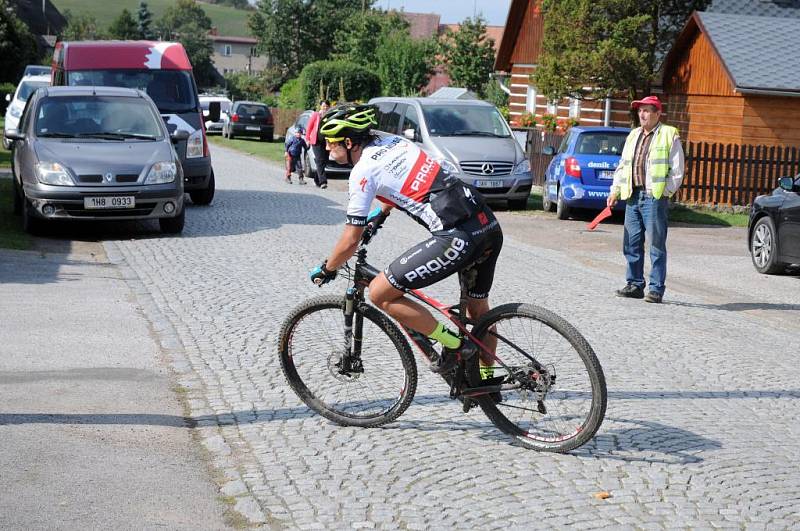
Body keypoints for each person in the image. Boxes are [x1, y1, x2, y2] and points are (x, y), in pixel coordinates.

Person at [309, 103, 504, 374]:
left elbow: (350, 239)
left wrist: (328, 268)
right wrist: (382, 211)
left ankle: (456, 344)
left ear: (349, 141)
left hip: (456, 236)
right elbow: (405, 180)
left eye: (331, 142)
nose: (327, 148)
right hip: (487, 224)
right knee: (479, 310)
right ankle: (486, 378)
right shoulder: (393, 142)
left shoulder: (363, 171)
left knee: (379, 293)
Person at [606, 95, 685, 304]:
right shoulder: (633, 135)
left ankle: (656, 289)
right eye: (640, 110)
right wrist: (615, 190)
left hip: (653, 198)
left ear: (658, 113)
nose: (642, 114)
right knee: (631, 243)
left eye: (647, 110)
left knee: (656, 245)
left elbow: (677, 171)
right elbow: (623, 166)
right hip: (632, 195)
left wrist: (663, 192)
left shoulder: (669, 134)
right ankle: (634, 284)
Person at [304, 99, 330, 188]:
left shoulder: (329, 117)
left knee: (325, 161)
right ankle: (323, 182)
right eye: (323, 106)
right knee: (319, 161)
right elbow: (309, 127)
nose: (325, 108)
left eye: (326, 106)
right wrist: (307, 139)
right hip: (316, 142)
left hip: (326, 142)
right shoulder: (316, 115)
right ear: (320, 106)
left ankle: (316, 179)